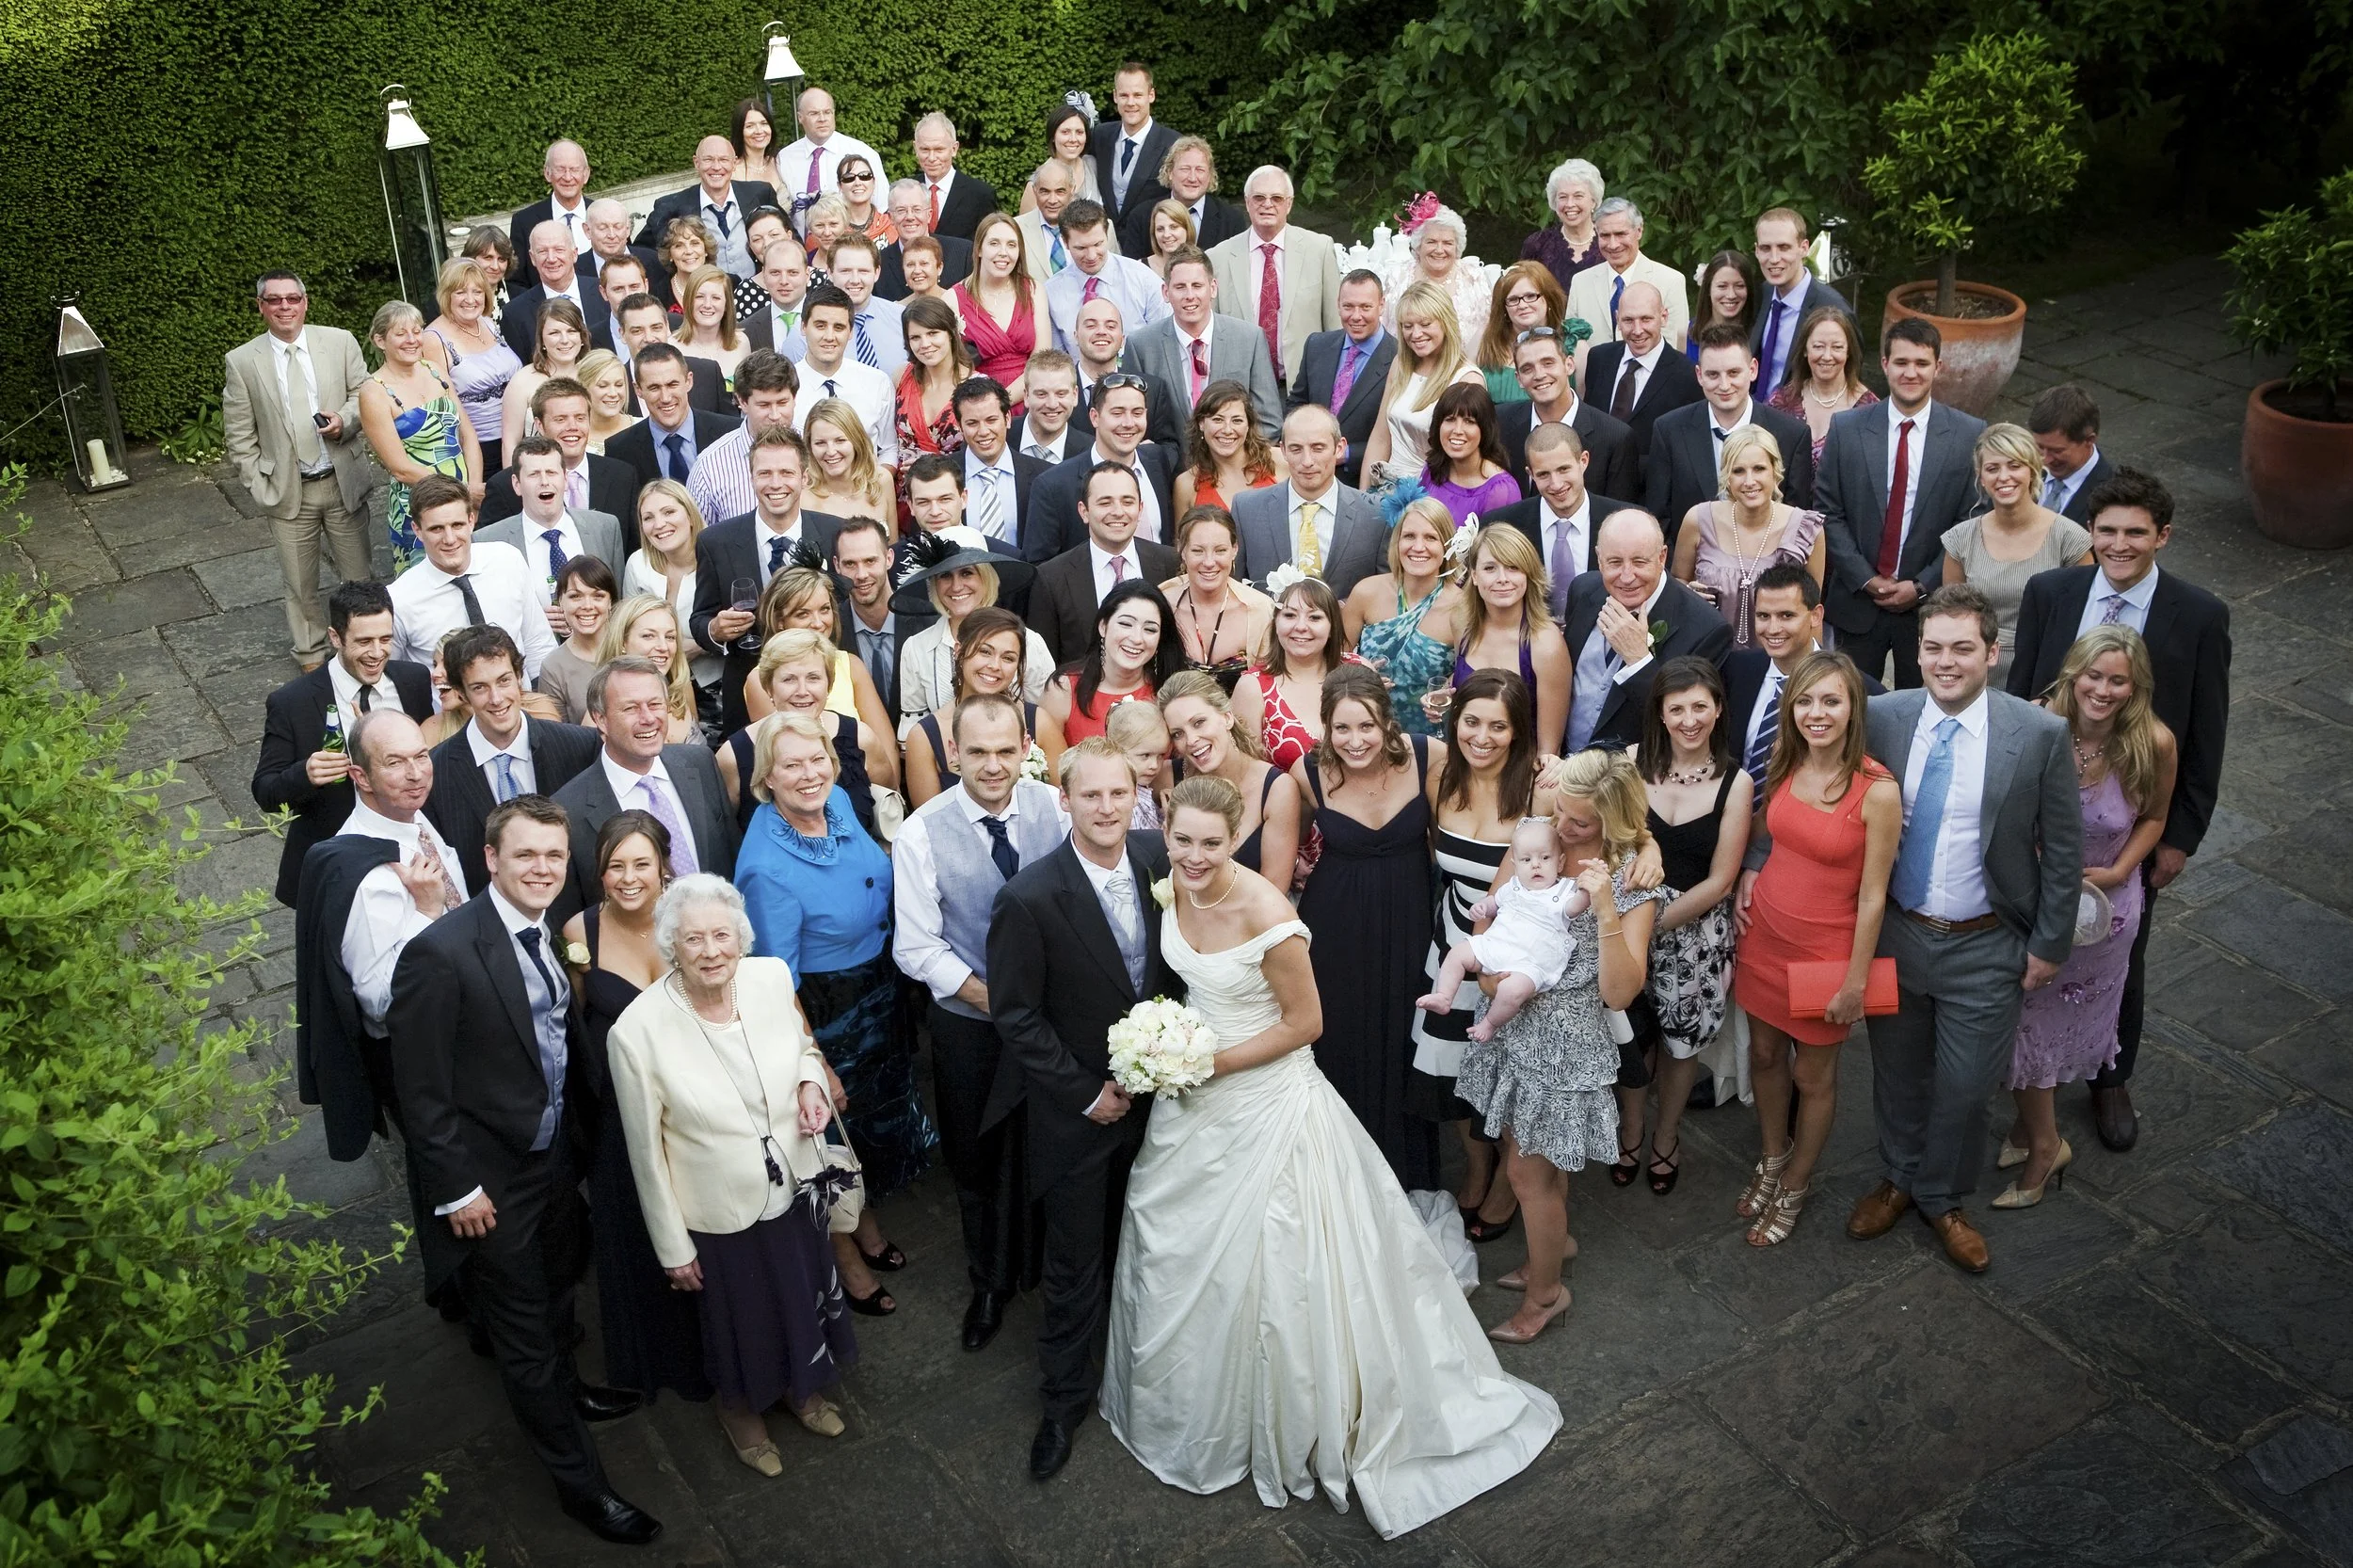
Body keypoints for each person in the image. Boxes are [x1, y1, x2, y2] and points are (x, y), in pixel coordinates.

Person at [1103, 767, 1562, 1528]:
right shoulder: (1169, 879)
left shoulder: (1267, 911)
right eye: (1181, 840)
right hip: (1190, 1109)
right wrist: (1169, 1046)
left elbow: (1305, 1025)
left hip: (1264, 1097)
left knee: (1284, 1260)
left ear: (1234, 838)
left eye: (1211, 844)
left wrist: (1201, 1063)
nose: (1192, 856)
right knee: (1178, 1243)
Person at [385, 794, 661, 1545]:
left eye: (553, 856)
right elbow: (421, 1092)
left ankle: (573, 1390)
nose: (543, 869)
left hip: (554, 1156)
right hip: (490, 1183)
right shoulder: (440, 954)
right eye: (526, 856)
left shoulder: (547, 933)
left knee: (561, 1279)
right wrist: (457, 1188)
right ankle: (580, 1486)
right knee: (525, 1337)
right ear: (490, 861)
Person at [1839, 584, 2083, 1273]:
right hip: (1898, 933)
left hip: (1987, 941)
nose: (1946, 662)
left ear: (1992, 653)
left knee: (1967, 1084)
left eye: (1962, 649)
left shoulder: (2037, 734)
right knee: (1896, 1072)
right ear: (1917, 651)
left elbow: (2063, 849)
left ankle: (1943, 1198)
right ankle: (1897, 1177)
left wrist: (2049, 943)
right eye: (1933, 648)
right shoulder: (1883, 717)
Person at [2007, 469, 2229, 1153]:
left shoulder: (2198, 615)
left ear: (2162, 536)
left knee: (2119, 952)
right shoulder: (2052, 591)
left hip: (2127, 825)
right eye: (2107, 531)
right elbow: (2019, 702)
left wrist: (2178, 838)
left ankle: (2110, 1076)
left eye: (2136, 533)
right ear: (2089, 534)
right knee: (2031, 946)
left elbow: (2205, 734)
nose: (2120, 545)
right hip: (2050, 807)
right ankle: (2029, 1074)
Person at [607, 872, 859, 1471]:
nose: (711, 951)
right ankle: (739, 1412)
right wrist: (672, 1247)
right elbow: (645, 1154)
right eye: (693, 940)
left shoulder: (769, 977)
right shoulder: (635, 1032)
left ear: (741, 937)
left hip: (796, 1180)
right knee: (737, 1318)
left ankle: (804, 1390)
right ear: (671, 946)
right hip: (718, 1205)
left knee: (798, 1294)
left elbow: (803, 1046)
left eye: (722, 935)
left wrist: (808, 1080)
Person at [981, 737, 1166, 1479]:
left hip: (1160, 1101)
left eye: (1118, 793)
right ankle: (1063, 1402)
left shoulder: (1160, 859)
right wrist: (1086, 1093)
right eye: (1089, 795)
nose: (1106, 807)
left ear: (1135, 795)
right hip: (1076, 1111)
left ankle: (1147, 1370)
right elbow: (1017, 1015)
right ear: (1064, 800)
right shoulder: (1027, 897)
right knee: (1074, 1260)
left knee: (1150, 1242)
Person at [1458, 748, 1665, 1341]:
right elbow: (1491, 916)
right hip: (1513, 1025)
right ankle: (1555, 1244)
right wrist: (1487, 969)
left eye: (1580, 822)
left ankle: (1546, 1294)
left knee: (1527, 1176)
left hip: (1567, 1048)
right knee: (1536, 1163)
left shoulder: (1633, 881)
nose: (1563, 829)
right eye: (1561, 812)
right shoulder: (1539, 838)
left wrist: (1604, 906)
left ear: (1615, 822)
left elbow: (1621, 992)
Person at [737, 712, 936, 1311]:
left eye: (817, 758)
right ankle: (847, 1265)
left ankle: (867, 1224)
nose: (809, 774)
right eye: (791, 765)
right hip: (827, 1014)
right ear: (766, 779)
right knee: (830, 1139)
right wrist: (813, 1061)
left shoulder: (840, 806)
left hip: (880, 991)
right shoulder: (764, 868)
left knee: (871, 1130)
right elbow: (776, 983)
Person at [892, 692, 1067, 1350]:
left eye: (1006, 751)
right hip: (970, 1026)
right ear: (953, 754)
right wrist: (992, 1000)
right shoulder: (920, 833)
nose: (993, 767)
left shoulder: (1057, 808)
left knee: (1052, 1141)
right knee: (977, 1156)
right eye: (978, 753)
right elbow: (916, 947)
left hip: (1052, 1019)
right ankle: (989, 1282)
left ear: (1026, 748)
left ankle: (1053, 1268)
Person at [1997, 625, 2175, 1207]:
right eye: (2092, 677)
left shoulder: (2153, 742)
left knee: (2053, 1027)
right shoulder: (2037, 723)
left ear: (2135, 686)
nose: (2102, 690)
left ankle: (2041, 1145)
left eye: (2117, 680)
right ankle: (2037, 1133)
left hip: (2104, 917)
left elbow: (2153, 816)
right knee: (2025, 1023)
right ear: (2073, 676)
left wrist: (2123, 869)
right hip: (2036, 907)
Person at [1727, 650, 1898, 1242]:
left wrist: (1856, 981)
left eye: (1831, 700)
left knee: (1814, 1079)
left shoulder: (1876, 790)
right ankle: (1773, 1157)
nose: (1816, 713)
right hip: (1765, 935)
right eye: (1804, 700)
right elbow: (1769, 836)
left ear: (1854, 708)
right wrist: (1750, 873)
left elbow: (1875, 897)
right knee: (1766, 1057)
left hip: (1828, 952)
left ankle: (1797, 1182)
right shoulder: (1786, 760)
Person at [552, 813, 714, 1414]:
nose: (627, 878)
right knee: (636, 1237)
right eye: (615, 865)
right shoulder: (579, 929)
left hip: (695, 1107)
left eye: (641, 863)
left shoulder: (692, 922)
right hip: (620, 1115)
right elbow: (573, 1017)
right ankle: (655, 1360)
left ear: (664, 866)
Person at [1287, 664, 1443, 1185]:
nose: (1356, 741)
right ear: (1326, 728)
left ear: (1387, 722)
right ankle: (1342, 1169)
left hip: (1412, 918)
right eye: (1343, 729)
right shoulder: (1304, 776)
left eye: (1368, 726)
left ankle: (1407, 1169)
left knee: (1406, 1034)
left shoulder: (1427, 757)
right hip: (1336, 928)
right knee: (1343, 1037)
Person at [294, 709, 462, 1183]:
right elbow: (379, 1000)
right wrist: (427, 916)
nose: (415, 774)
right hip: (427, 1061)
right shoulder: (366, 876)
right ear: (359, 777)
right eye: (394, 763)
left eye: (421, 756)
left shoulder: (413, 817)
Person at [1413, 671, 1544, 1239]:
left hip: (1519, 951)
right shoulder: (1441, 775)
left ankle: (1511, 1185)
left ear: (1518, 734)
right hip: (1452, 938)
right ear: (1454, 720)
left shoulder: (1542, 787)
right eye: (1472, 722)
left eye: (1499, 726)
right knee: (1461, 1070)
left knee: (1511, 1073)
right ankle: (1477, 1163)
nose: (1483, 737)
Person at [1622, 658, 1752, 1195]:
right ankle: (1630, 1131)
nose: (1690, 719)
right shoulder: (1631, 763)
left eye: (1701, 706)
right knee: (1630, 1038)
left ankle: (1666, 1138)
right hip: (1627, 923)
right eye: (1677, 708)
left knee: (1680, 1044)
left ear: (1719, 710)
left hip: (1694, 934)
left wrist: (1651, 927)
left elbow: (1721, 881)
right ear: (1661, 713)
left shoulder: (1736, 782)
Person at [1817, 318, 1989, 689]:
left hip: (1930, 611)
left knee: (1923, 712)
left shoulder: (1968, 435)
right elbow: (1828, 511)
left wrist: (1923, 584)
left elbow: (1971, 523)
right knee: (1850, 705)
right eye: (1901, 363)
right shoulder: (1847, 429)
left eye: (1922, 364)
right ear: (1884, 364)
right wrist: (1865, 578)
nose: (1911, 373)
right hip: (1857, 604)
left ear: (1938, 367)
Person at [257, 582, 435, 904]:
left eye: (385, 639)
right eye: (364, 641)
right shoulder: (293, 703)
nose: (377, 653)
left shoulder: (414, 681)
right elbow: (266, 791)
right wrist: (306, 773)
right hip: (336, 861)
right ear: (335, 637)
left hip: (412, 852)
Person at [688, 423, 848, 736]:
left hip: (825, 689)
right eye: (764, 474)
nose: (775, 484)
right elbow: (700, 619)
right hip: (748, 695)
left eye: (786, 473)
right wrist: (715, 629)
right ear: (751, 478)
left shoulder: (835, 533)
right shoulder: (715, 541)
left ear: (804, 477)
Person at [552, 658, 738, 921]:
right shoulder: (568, 810)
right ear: (600, 719)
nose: (649, 718)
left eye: (655, 704)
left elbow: (731, 859)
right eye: (631, 708)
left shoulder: (700, 764)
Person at [421, 622, 600, 895]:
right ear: (460, 692)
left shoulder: (580, 747)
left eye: (504, 681)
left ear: (519, 677)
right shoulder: (437, 773)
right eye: (480, 687)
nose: (497, 698)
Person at [1562, 508, 1734, 755]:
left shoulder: (1707, 629)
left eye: (1639, 562)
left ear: (1662, 557)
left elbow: (1689, 726)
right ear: (1599, 558)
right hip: (1562, 769)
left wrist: (1639, 660)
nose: (1627, 576)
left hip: (1634, 778)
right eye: (1614, 562)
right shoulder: (1582, 591)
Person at [1940, 423, 2094, 680]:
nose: (2003, 477)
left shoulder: (2070, 538)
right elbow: (1951, 620)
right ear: (1981, 477)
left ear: (2033, 470)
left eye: (2014, 465)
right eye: (1992, 469)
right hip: (1976, 673)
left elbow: (2084, 623)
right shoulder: (1960, 539)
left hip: (2045, 671)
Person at [1420, 814, 1593, 1040]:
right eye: (1526, 860)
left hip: (1530, 964)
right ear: (1515, 865)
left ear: (1559, 863)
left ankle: (1490, 1023)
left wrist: (1586, 891)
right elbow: (1493, 903)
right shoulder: (1513, 887)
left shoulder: (1560, 893)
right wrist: (1482, 908)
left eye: (1545, 857)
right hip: (1497, 946)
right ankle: (1444, 996)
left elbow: (1575, 907)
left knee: (1512, 992)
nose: (1536, 865)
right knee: (1458, 953)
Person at [1645, 322, 1817, 536]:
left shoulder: (1792, 435)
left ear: (1753, 370)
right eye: (1713, 375)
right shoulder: (1669, 430)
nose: (1725, 385)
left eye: (1734, 372)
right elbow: (1658, 518)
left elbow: (1796, 522)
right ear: (1699, 375)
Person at [1669, 425, 1829, 649]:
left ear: (1775, 471)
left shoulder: (1807, 529)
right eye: (1739, 471)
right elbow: (1677, 581)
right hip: (1708, 654)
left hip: (1778, 657)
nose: (1749, 481)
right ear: (1727, 476)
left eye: (1759, 469)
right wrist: (1689, 593)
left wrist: (1814, 672)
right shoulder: (1698, 519)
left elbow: (1812, 610)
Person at [1724, 562, 1881, 785]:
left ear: (1816, 616)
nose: (1773, 628)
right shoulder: (1736, 670)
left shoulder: (1864, 690)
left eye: (1786, 616)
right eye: (1763, 616)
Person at [387, 476, 556, 682]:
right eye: (436, 529)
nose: (449, 539)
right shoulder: (399, 599)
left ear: (471, 521)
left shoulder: (508, 560)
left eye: (457, 525)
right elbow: (392, 678)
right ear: (417, 530)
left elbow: (538, 642)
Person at [716, 631, 880, 838]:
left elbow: (887, 808)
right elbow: (723, 836)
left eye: (813, 678)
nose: (802, 691)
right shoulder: (733, 756)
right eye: (789, 679)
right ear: (769, 687)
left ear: (828, 685)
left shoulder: (860, 738)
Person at [361, 301, 480, 570]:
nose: (412, 340)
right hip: (420, 501)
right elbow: (400, 468)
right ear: (380, 340)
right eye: (401, 333)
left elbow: (468, 434)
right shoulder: (374, 392)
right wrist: (456, 493)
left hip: (463, 497)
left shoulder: (435, 370)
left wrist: (473, 487)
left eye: (417, 331)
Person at [742, 566, 897, 771]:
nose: (818, 623)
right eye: (803, 614)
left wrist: (888, 795)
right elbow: (785, 755)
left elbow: (887, 751)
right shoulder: (760, 680)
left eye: (824, 610)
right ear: (780, 622)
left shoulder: (850, 665)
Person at [892, 520, 1049, 720]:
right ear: (934, 585)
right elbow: (912, 733)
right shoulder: (916, 649)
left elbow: (1045, 723)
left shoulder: (1030, 643)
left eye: (967, 573)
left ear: (986, 578)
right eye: (945, 576)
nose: (957, 586)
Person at [1030, 462, 1181, 663]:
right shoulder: (1051, 578)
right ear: (1084, 511)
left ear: (1140, 508)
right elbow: (1042, 664)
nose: (1118, 511)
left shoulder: (1171, 564)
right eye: (1105, 503)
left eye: (1127, 502)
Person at [1164, 666, 1304, 885]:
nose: (1191, 740)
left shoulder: (1277, 789)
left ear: (1227, 718)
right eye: (1178, 734)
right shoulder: (1165, 777)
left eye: (1199, 722)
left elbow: (1275, 891)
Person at [1206, 166, 1340, 389]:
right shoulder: (1218, 256)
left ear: (1289, 204)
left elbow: (1335, 325)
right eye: (1259, 197)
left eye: (1276, 198)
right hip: (1241, 388)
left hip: (1304, 384)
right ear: (1247, 202)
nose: (1267, 204)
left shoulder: (1319, 249)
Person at [1123, 248, 1282, 437]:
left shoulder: (1249, 339)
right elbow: (1132, 418)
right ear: (1165, 292)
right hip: (1170, 464)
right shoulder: (1141, 345)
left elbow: (1269, 420)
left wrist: (1240, 462)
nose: (1190, 295)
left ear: (1213, 288)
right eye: (1180, 287)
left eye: (1197, 285)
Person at [1447, 524, 1572, 756]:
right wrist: (1446, 696)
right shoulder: (1461, 623)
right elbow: (1462, 684)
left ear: (1528, 574)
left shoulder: (1546, 644)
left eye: (1513, 568)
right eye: (1490, 568)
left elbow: (1548, 751)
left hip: (1519, 772)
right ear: (1474, 575)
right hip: (1465, 758)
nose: (1502, 579)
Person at [902, 608, 1047, 807]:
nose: (995, 665)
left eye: (1008, 658)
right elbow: (928, 824)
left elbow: (1065, 807)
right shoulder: (924, 737)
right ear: (959, 651)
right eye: (985, 652)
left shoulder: (1040, 722)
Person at [1347, 497, 1464, 735]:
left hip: (1433, 738)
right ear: (1396, 542)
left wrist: (1447, 693)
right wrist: (1360, 674)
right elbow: (1334, 660)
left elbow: (1469, 674)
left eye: (1430, 538)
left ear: (1447, 545)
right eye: (1409, 536)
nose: (1418, 547)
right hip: (1365, 730)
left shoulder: (1464, 607)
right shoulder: (1365, 592)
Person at [1577, 282, 1701, 487]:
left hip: (1649, 492)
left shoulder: (1687, 375)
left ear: (1663, 317)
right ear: (1617, 318)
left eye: (1646, 319)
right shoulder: (1599, 359)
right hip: (1595, 488)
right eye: (1628, 320)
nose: (1637, 330)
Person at [1037, 579, 1179, 759]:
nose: (1137, 638)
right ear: (1103, 626)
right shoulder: (1063, 689)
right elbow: (1050, 773)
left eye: (1150, 630)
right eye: (1126, 624)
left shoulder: (1168, 691)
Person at [1496, 324, 1639, 501]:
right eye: (1527, 369)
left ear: (1569, 365)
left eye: (1548, 363)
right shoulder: (1501, 422)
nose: (1539, 374)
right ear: (1518, 379)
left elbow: (1619, 514)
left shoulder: (1615, 437)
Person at [1359, 279, 1483, 483]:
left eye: (1425, 324)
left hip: (1434, 490)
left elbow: (1466, 457)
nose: (1416, 334)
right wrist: (1363, 496)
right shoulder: (1400, 365)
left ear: (1446, 322)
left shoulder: (1468, 378)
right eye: (1408, 326)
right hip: (1386, 486)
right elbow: (1381, 437)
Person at [474, 433, 625, 597]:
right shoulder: (487, 541)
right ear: (516, 484)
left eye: (551, 472)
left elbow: (618, 603)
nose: (544, 481)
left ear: (565, 478)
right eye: (534, 474)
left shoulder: (605, 528)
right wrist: (534, 618)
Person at [1235, 572, 1353, 774]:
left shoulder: (1358, 670)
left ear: (1333, 626)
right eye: (1289, 615)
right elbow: (1246, 773)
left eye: (1315, 617)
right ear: (1275, 622)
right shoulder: (1253, 688)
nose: (1300, 627)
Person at [1288, 269, 1395, 487]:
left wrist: (1346, 454)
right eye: (1348, 307)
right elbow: (1297, 404)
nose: (1356, 316)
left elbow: (1399, 434)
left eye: (1366, 307)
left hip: (1363, 483)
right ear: (1338, 304)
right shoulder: (1317, 345)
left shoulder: (1399, 358)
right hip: (1306, 477)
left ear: (1381, 305)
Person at [622, 477, 723, 701]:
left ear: (689, 515)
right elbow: (627, 630)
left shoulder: (720, 559)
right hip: (652, 685)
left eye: (668, 512)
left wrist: (700, 645)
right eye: (648, 518)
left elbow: (737, 626)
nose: (659, 524)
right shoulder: (638, 564)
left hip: (716, 684)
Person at [423, 258, 523, 476]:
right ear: (446, 295)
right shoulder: (433, 340)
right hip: (480, 451)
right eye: (460, 292)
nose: (470, 300)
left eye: (477, 291)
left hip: (518, 438)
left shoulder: (486, 322)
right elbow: (445, 406)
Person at [635, 136, 778, 281]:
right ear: (696, 163)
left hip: (760, 294)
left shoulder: (760, 193)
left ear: (734, 163)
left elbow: (787, 237)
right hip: (703, 299)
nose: (716, 167)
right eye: (708, 159)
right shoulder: (670, 206)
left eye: (723, 160)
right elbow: (642, 254)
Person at [685, 348, 801, 526]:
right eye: (764, 405)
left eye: (782, 403)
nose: (775, 415)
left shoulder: (817, 448)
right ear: (742, 402)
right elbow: (700, 542)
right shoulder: (709, 468)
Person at [608, 343, 742, 495]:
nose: (665, 398)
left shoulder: (731, 433)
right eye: (654, 388)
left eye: (672, 385)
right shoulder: (620, 450)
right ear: (638, 389)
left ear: (688, 381)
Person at [1160, 504, 1272, 686]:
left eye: (1220, 550)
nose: (1209, 562)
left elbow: (1269, 688)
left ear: (1234, 549)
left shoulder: (1261, 611)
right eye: (1198, 551)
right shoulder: (1161, 605)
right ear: (1182, 549)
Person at [1043, 200, 1170, 358]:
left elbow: (1165, 341)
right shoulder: (1051, 292)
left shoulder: (1143, 279)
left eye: (1097, 244)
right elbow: (1057, 359)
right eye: (1081, 248)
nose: (1091, 256)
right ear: (1065, 242)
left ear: (1107, 234)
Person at [1749, 208, 1854, 397]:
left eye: (1784, 247)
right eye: (1766, 248)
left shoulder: (1833, 309)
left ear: (1804, 248)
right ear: (1757, 250)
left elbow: (1852, 379)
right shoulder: (1761, 294)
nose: (1774, 259)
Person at [1565, 197, 1690, 353]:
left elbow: (1676, 347)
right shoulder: (1581, 282)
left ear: (1639, 231)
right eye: (1605, 235)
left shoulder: (1671, 281)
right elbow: (1571, 344)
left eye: (1620, 234)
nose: (1613, 244)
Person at [1765, 306, 1876, 466]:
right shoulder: (1780, 402)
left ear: (1849, 351)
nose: (1827, 356)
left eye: (1837, 347)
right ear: (1805, 349)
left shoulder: (1870, 409)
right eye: (1818, 346)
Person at [953, 376, 1050, 549]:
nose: (983, 431)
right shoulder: (943, 476)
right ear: (960, 427)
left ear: (1007, 419)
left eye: (991, 420)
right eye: (972, 423)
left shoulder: (1044, 476)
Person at [499, 219, 610, 366]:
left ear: (574, 253)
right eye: (543, 251)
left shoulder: (606, 293)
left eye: (559, 250)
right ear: (532, 258)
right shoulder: (514, 314)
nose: (551, 259)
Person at [776, 86, 889, 230]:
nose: (822, 119)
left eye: (827, 112)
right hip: (802, 248)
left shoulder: (863, 153)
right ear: (800, 117)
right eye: (814, 113)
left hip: (853, 246)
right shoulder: (785, 158)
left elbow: (881, 205)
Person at [1380, 201, 1490, 345]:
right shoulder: (1398, 277)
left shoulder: (1474, 277)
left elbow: (1490, 327)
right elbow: (1382, 328)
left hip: (1466, 364)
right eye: (1431, 242)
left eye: (1447, 243)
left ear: (1457, 247)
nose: (1439, 250)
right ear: (1419, 244)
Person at [598, 595, 701, 745]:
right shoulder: (603, 706)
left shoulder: (680, 690)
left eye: (670, 637)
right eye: (648, 636)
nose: (663, 647)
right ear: (622, 642)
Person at [1174, 378, 1285, 514]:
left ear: (1248, 425)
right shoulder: (1186, 484)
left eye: (1237, 420)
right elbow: (1183, 535)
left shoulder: (1281, 461)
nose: (1227, 430)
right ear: (1201, 423)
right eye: (1218, 420)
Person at [894, 296, 974, 485]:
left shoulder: (976, 387)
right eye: (915, 337)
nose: (925, 344)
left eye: (933, 333)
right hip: (904, 494)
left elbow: (987, 450)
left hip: (953, 491)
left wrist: (935, 464)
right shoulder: (901, 377)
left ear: (951, 333)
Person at [1421, 381, 1522, 523]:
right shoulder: (1431, 469)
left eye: (1469, 421)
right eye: (1450, 420)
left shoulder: (1501, 491)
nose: (1457, 430)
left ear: (1485, 429)